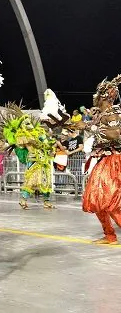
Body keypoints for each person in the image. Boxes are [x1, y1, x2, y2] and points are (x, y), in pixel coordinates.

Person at [74, 75, 121, 244]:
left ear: (104, 97)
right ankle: (109, 235)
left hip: (114, 161)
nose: (93, 97)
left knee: (109, 201)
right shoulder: (101, 114)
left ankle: (111, 235)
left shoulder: (113, 112)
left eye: (97, 94)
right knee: (97, 198)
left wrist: (89, 127)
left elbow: (114, 135)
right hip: (104, 160)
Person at [0, 104, 56, 209]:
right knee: (32, 181)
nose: (29, 124)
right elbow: (30, 145)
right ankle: (23, 200)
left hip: (43, 160)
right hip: (33, 161)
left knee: (46, 181)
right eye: (26, 123)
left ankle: (46, 201)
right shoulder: (22, 136)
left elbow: (46, 145)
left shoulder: (39, 133)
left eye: (29, 122)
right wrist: (39, 141)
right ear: (22, 125)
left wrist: (49, 146)